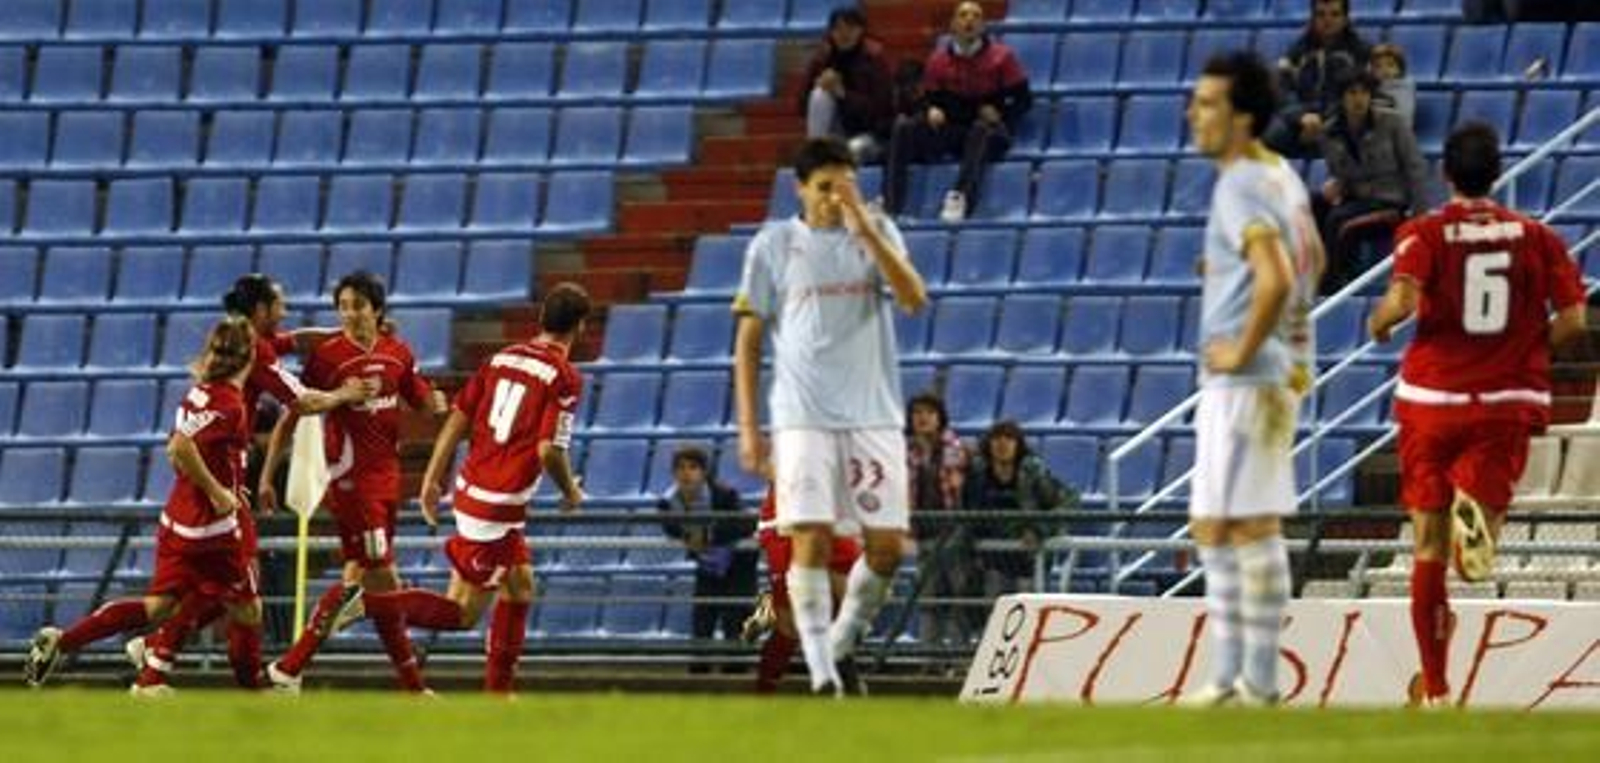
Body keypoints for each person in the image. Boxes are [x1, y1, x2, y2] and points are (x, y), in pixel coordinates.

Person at [1368, 122, 1587, 708]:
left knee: (1426, 550)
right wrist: (1524, 346)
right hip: (1504, 399)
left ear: (1446, 174)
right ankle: (1481, 526)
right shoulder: (1537, 238)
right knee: (1473, 549)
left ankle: (1436, 688)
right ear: (1498, 171)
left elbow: (1405, 300)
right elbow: (1573, 322)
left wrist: (1379, 320)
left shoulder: (1425, 233)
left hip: (1431, 402)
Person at [734, 136, 927, 696]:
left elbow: (913, 298)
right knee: (811, 543)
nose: (836, 200)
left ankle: (839, 646)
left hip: (872, 414)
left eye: (846, 188)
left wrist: (866, 231)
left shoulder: (877, 232)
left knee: (887, 548)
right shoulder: (773, 246)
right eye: (825, 189)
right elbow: (747, 341)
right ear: (800, 188)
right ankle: (822, 673)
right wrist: (749, 430)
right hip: (802, 417)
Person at [123, 275, 371, 689]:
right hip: (224, 481)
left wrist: (343, 332)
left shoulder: (242, 339)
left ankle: (159, 651)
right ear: (261, 311)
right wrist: (346, 394)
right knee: (238, 592)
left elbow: (296, 339)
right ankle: (167, 661)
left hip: (223, 476)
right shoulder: (256, 355)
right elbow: (305, 401)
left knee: (229, 591)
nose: (285, 312)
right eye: (279, 305)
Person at [1182, 51, 1324, 708]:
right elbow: (1314, 258)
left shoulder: (1239, 180)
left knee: (1246, 525)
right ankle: (1234, 676)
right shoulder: (1283, 174)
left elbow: (1274, 273)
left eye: (1208, 103)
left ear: (1241, 118)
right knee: (1214, 523)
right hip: (1276, 370)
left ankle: (1254, 683)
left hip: (1247, 379)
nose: (1195, 113)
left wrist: (1242, 345)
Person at [25, 318, 259, 694]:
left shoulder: (200, 392)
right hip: (210, 529)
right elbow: (180, 446)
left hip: (177, 519)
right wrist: (218, 492)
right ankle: (253, 695)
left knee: (158, 606)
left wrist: (223, 483)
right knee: (246, 608)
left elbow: (184, 452)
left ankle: (63, 640)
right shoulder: (230, 403)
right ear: (248, 356)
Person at [262, 271, 449, 693]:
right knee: (383, 579)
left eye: (357, 306)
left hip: (387, 481)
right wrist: (270, 472)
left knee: (365, 582)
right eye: (343, 306)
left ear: (377, 309)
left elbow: (422, 401)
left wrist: (435, 404)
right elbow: (295, 411)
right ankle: (412, 687)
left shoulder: (397, 353)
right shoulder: (329, 357)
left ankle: (289, 670)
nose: (349, 314)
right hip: (351, 483)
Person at [403, 282, 591, 694]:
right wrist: (571, 492)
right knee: (464, 613)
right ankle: (376, 604)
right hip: (497, 504)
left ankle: (499, 692)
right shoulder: (564, 377)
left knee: (520, 584)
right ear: (579, 327)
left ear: (541, 320)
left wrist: (433, 479)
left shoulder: (500, 357)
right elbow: (547, 451)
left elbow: (457, 417)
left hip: (470, 487)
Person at [883, 1, 1031, 222]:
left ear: (982, 25)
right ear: (953, 24)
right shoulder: (937, 61)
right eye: (963, 15)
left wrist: (1002, 113)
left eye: (975, 16)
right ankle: (890, 204)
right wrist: (930, 109)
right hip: (952, 131)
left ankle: (960, 198)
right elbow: (927, 100)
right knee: (904, 126)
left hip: (989, 132)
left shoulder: (1003, 57)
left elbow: (1024, 99)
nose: (969, 20)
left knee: (981, 129)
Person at [1316, 71, 1431, 291]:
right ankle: (1313, 275)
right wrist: (1336, 185)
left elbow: (1415, 166)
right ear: (1341, 98)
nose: (1358, 99)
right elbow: (1339, 173)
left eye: (1364, 93)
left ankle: (1331, 287)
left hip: (1390, 201)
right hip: (1356, 198)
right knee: (1313, 204)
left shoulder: (1392, 122)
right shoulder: (1329, 132)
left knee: (1339, 221)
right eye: (1351, 93)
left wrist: (1420, 214)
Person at [746, 485, 862, 694]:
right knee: (789, 625)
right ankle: (764, 691)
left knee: (848, 610)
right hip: (786, 524)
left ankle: (844, 680)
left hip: (830, 519)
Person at [656, 445, 757, 665]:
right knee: (702, 623)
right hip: (706, 566)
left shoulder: (725, 494)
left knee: (735, 624)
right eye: (680, 468)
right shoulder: (667, 502)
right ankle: (698, 676)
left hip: (738, 567)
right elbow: (670, 528)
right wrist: (689, 536)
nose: (686, 473)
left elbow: (746, 524)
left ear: (704, 472)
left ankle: (735, 676)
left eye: (693, 467)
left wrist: (707, 535)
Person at [962, 421, 1077, 597]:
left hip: (1028, 561)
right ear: (988, 444)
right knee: (994, 617)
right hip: (990, 561)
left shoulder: (1033, 472)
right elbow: (965, 509)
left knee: (1027, 615)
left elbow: (1069, 501)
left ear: (1018, 444)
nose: (1002, 444)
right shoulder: (978, 474)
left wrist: (1039, 529)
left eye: (1009, 438)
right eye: (997, 439)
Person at [905, 392, 974, 653]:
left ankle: (958, 658)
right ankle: (930, 659)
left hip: (955, 534)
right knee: (929, 599)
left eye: (928, 413)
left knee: (959, 598)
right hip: (923, 534)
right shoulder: (908, 452)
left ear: (939, 418)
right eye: (917, 413)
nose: (922, 418)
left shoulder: (957, 449)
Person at [1266, 0, 1372, 158]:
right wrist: (1301, 117)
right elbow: (1282, 91)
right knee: (1269, 137)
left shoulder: (1361, 52)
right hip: (1302, 117)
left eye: (1335, 14)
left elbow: (1360, 97)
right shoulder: (1298, 50)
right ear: (1313, 18)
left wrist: (1322, 122)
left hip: (1339, 119)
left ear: (1345, 18)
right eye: (1320, 14)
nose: (1327, 20)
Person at [800, 7, 896, 163]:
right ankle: (816, 152)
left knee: (849, 152)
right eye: (837, 29)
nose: (844, 34)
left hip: (872, 135)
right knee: (819, 94)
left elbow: (880, 111)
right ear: (830, 32)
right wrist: (815, 83)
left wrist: (843, 94)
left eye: (850, 28)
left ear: (861, 30)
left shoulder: (874, 60)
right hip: (836, 132)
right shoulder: (823, 58)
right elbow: (802, 107)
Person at [1369, 43, 1415, 129]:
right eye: (1378, 66)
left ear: (1400, 68)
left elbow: (1404, 119)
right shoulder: (1370, 88)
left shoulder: (1406, 87)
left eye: (1390, 65)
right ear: (1372, 71)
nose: (1385, 70)